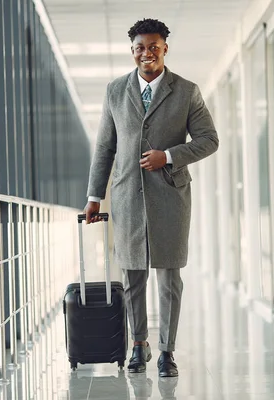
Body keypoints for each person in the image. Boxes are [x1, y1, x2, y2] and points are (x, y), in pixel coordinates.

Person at [84, 18, 219, 378]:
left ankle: (167, 351)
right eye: (140, 47)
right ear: (132, 51)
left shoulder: (186, 91)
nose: (147, 53)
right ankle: (138, 344)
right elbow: (105, 146)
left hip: (171, 197)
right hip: (127, 196)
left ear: (165, 48)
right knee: (132, 278)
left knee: (169, 279)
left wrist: (169, 155)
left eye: (153, 46)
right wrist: (94, 196)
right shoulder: (115, 91)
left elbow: (209, 139)